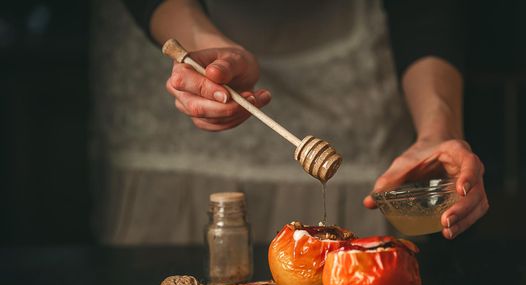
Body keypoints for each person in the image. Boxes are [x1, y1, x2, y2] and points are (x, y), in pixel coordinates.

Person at [90, 0, 488, 244]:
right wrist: (205, 49)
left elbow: (426, 9)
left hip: (351, 50)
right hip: (175, 25)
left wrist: (437, 129)